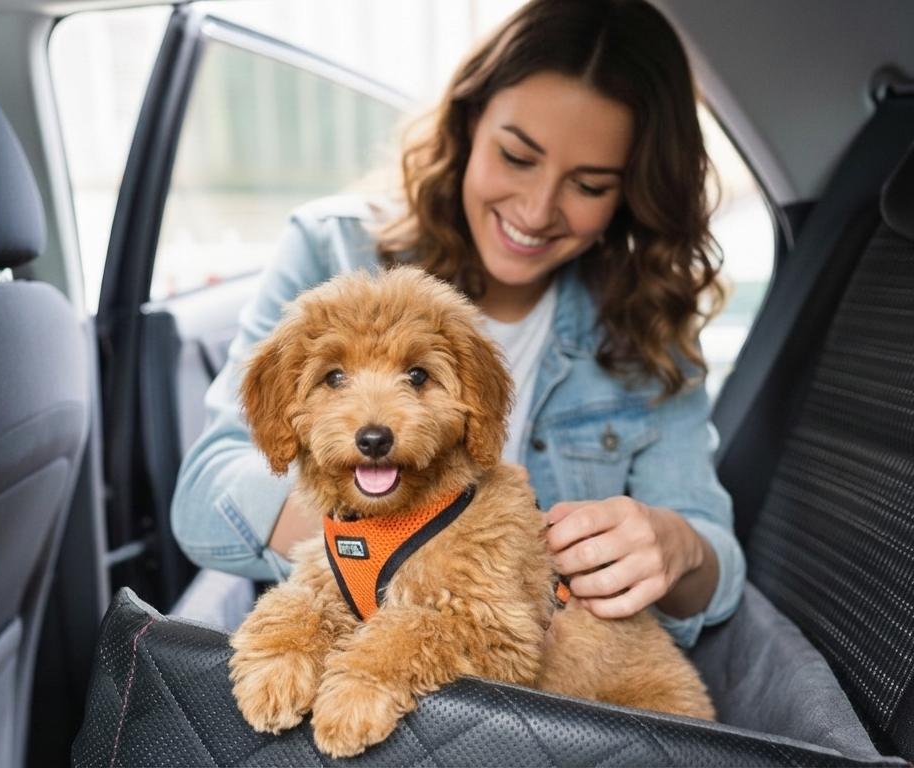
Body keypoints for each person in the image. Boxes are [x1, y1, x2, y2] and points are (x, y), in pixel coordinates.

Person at [171, 0, 744, 648]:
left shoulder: (645, 326)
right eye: (517, 157)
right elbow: (205, 496)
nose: (536, 210)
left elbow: (716, 568)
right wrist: (425, 526)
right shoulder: (331, 249)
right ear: (470, 123)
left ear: (630, 192)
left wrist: (678, 547)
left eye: (588, 186)